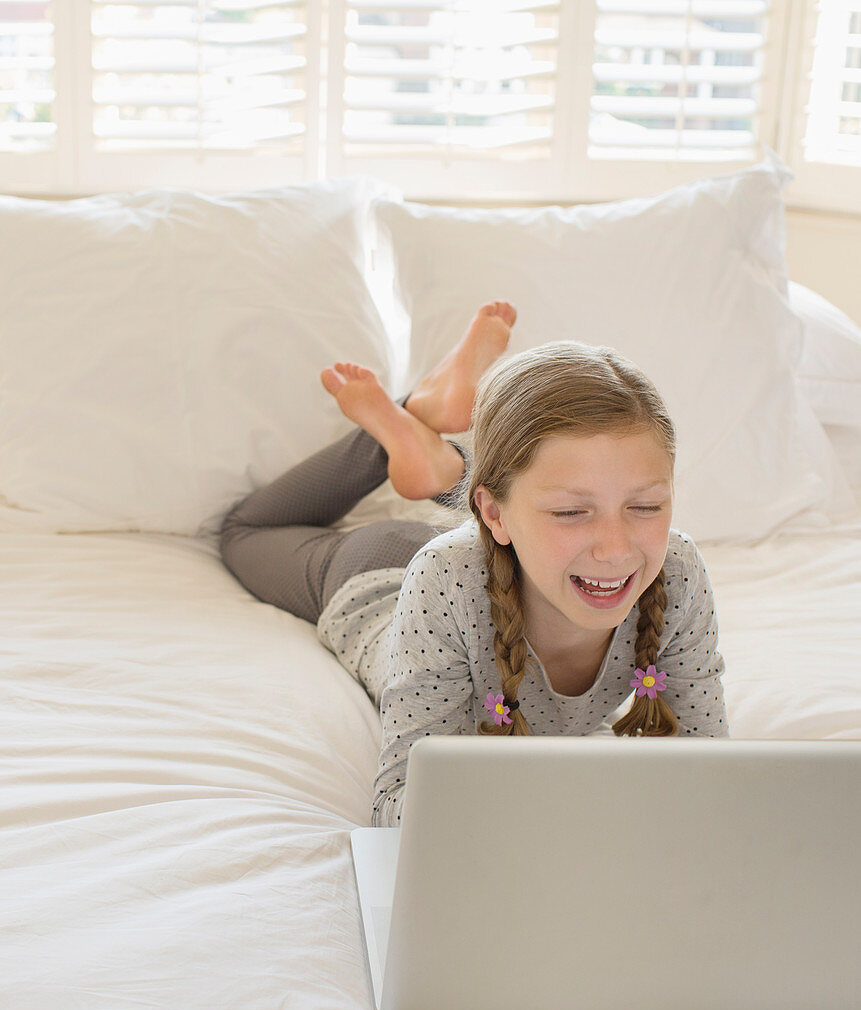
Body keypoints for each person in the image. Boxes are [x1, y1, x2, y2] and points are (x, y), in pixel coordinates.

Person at [219, 301, 727, 828]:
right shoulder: (443, 576)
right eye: (572, 512)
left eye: (645, 507)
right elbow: (397, 803)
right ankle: (414, 413)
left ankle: (440, 459)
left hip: (497, 556)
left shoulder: (677, 569)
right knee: (243, 532)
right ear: (493, 514)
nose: (617, 549)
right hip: (377, 572)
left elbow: (712, 769)